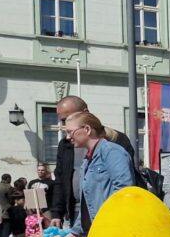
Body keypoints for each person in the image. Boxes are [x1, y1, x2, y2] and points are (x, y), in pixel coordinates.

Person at [59, 112, 137, 237]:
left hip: (110, 234)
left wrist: (104, 224)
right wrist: (75, 232)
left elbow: (124, 190)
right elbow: (86, 202)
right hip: (94, 233)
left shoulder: (112, 153)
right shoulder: (87, 159)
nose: (68, 137)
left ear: (87, 129)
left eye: (70, 132)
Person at [48, 96, 140, 229]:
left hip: (108, 219)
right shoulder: (71, 149)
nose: (67, 135)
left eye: (67, 119)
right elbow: (60, 180)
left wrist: (107, 220)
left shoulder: (113, 146)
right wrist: (60, 215)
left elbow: (123, 188)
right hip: (81, 213)